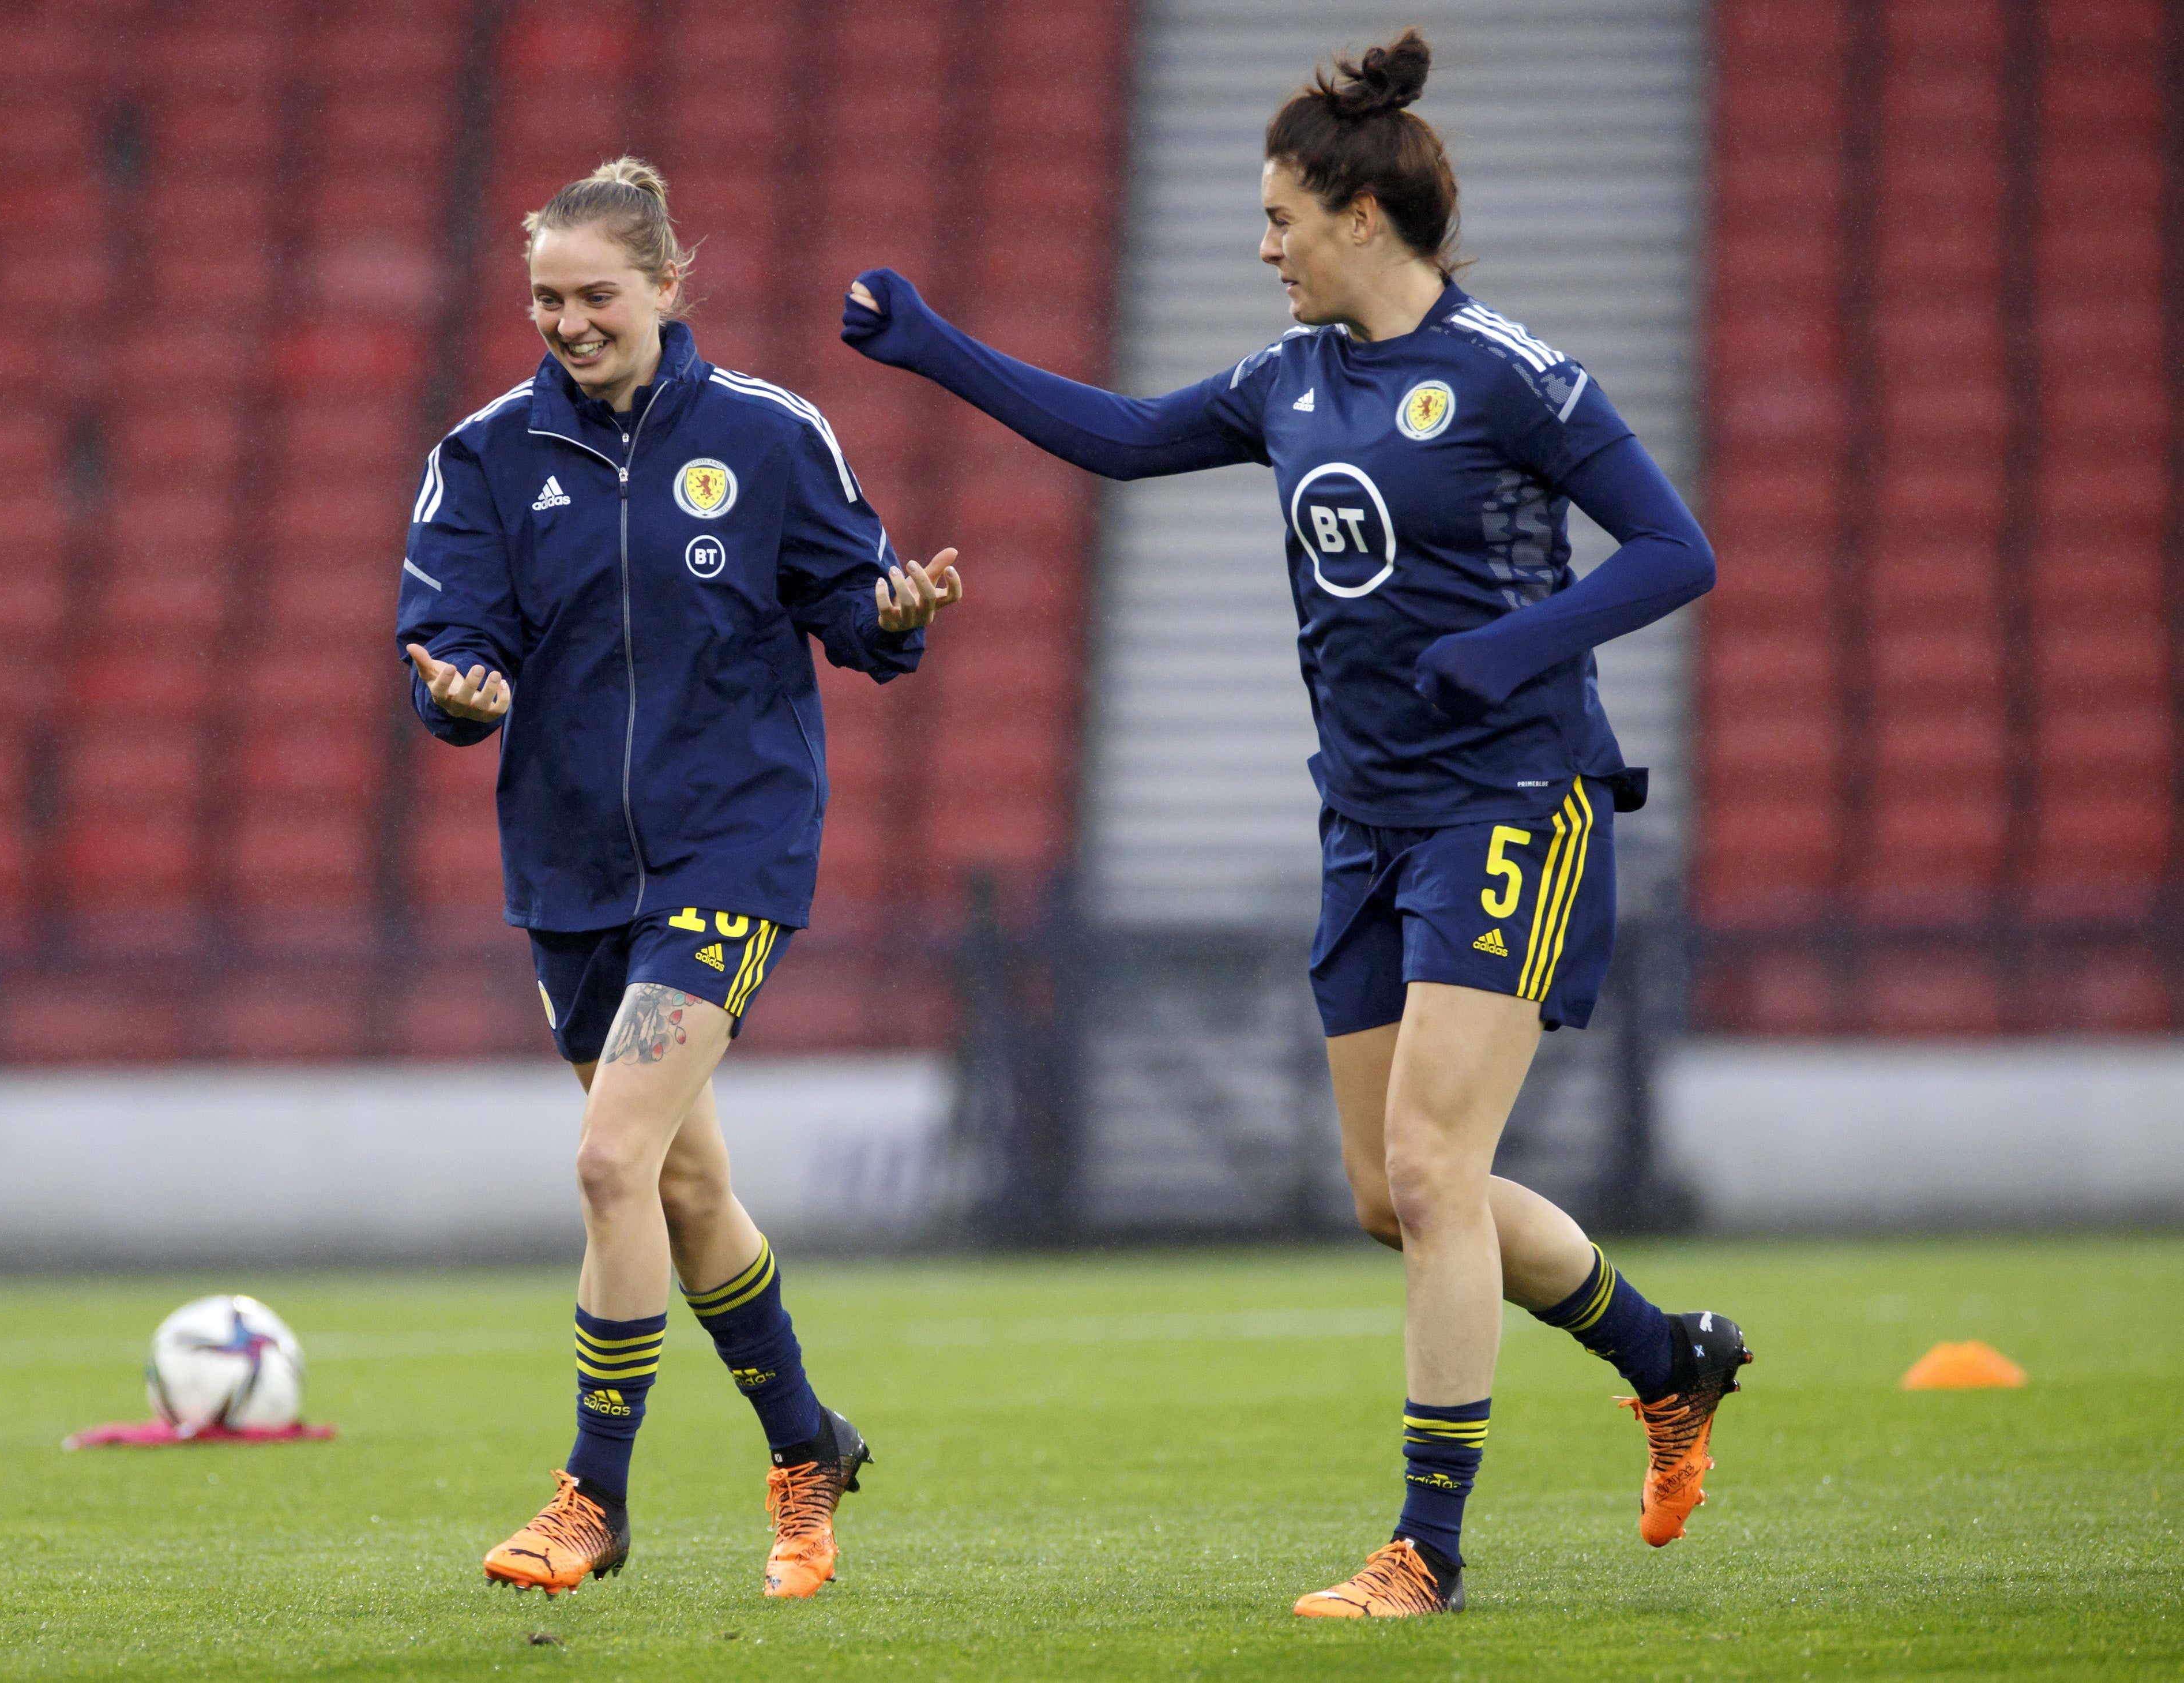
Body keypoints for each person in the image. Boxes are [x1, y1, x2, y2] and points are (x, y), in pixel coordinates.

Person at [840, 32, 1744, 1617]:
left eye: (1280, 217)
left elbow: (1676, 551)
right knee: (1391, 1195)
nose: (1261, 247)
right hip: (1369, 816)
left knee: (1431, 1162)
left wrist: (1512, 648)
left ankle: (1430, 1548)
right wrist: (936, 349)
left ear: (1362, 215)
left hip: (1514, 802)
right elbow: (1123, 438)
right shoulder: (1291, 379)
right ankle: (1666, 1356)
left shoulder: (1514, 377)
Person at [398, 156, 963, 1601]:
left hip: (731, 849)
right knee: (688, 1188)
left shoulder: (768, 436)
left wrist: (891, 611)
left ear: (667, 285)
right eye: (544, 298)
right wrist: (459, 691)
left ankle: (591, 1496)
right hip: (573, 869)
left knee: (607, 1160)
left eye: (595, 295)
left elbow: (856, 604)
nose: (567, 322)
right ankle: (804, 1441)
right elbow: (455, 633)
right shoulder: (483, 455)